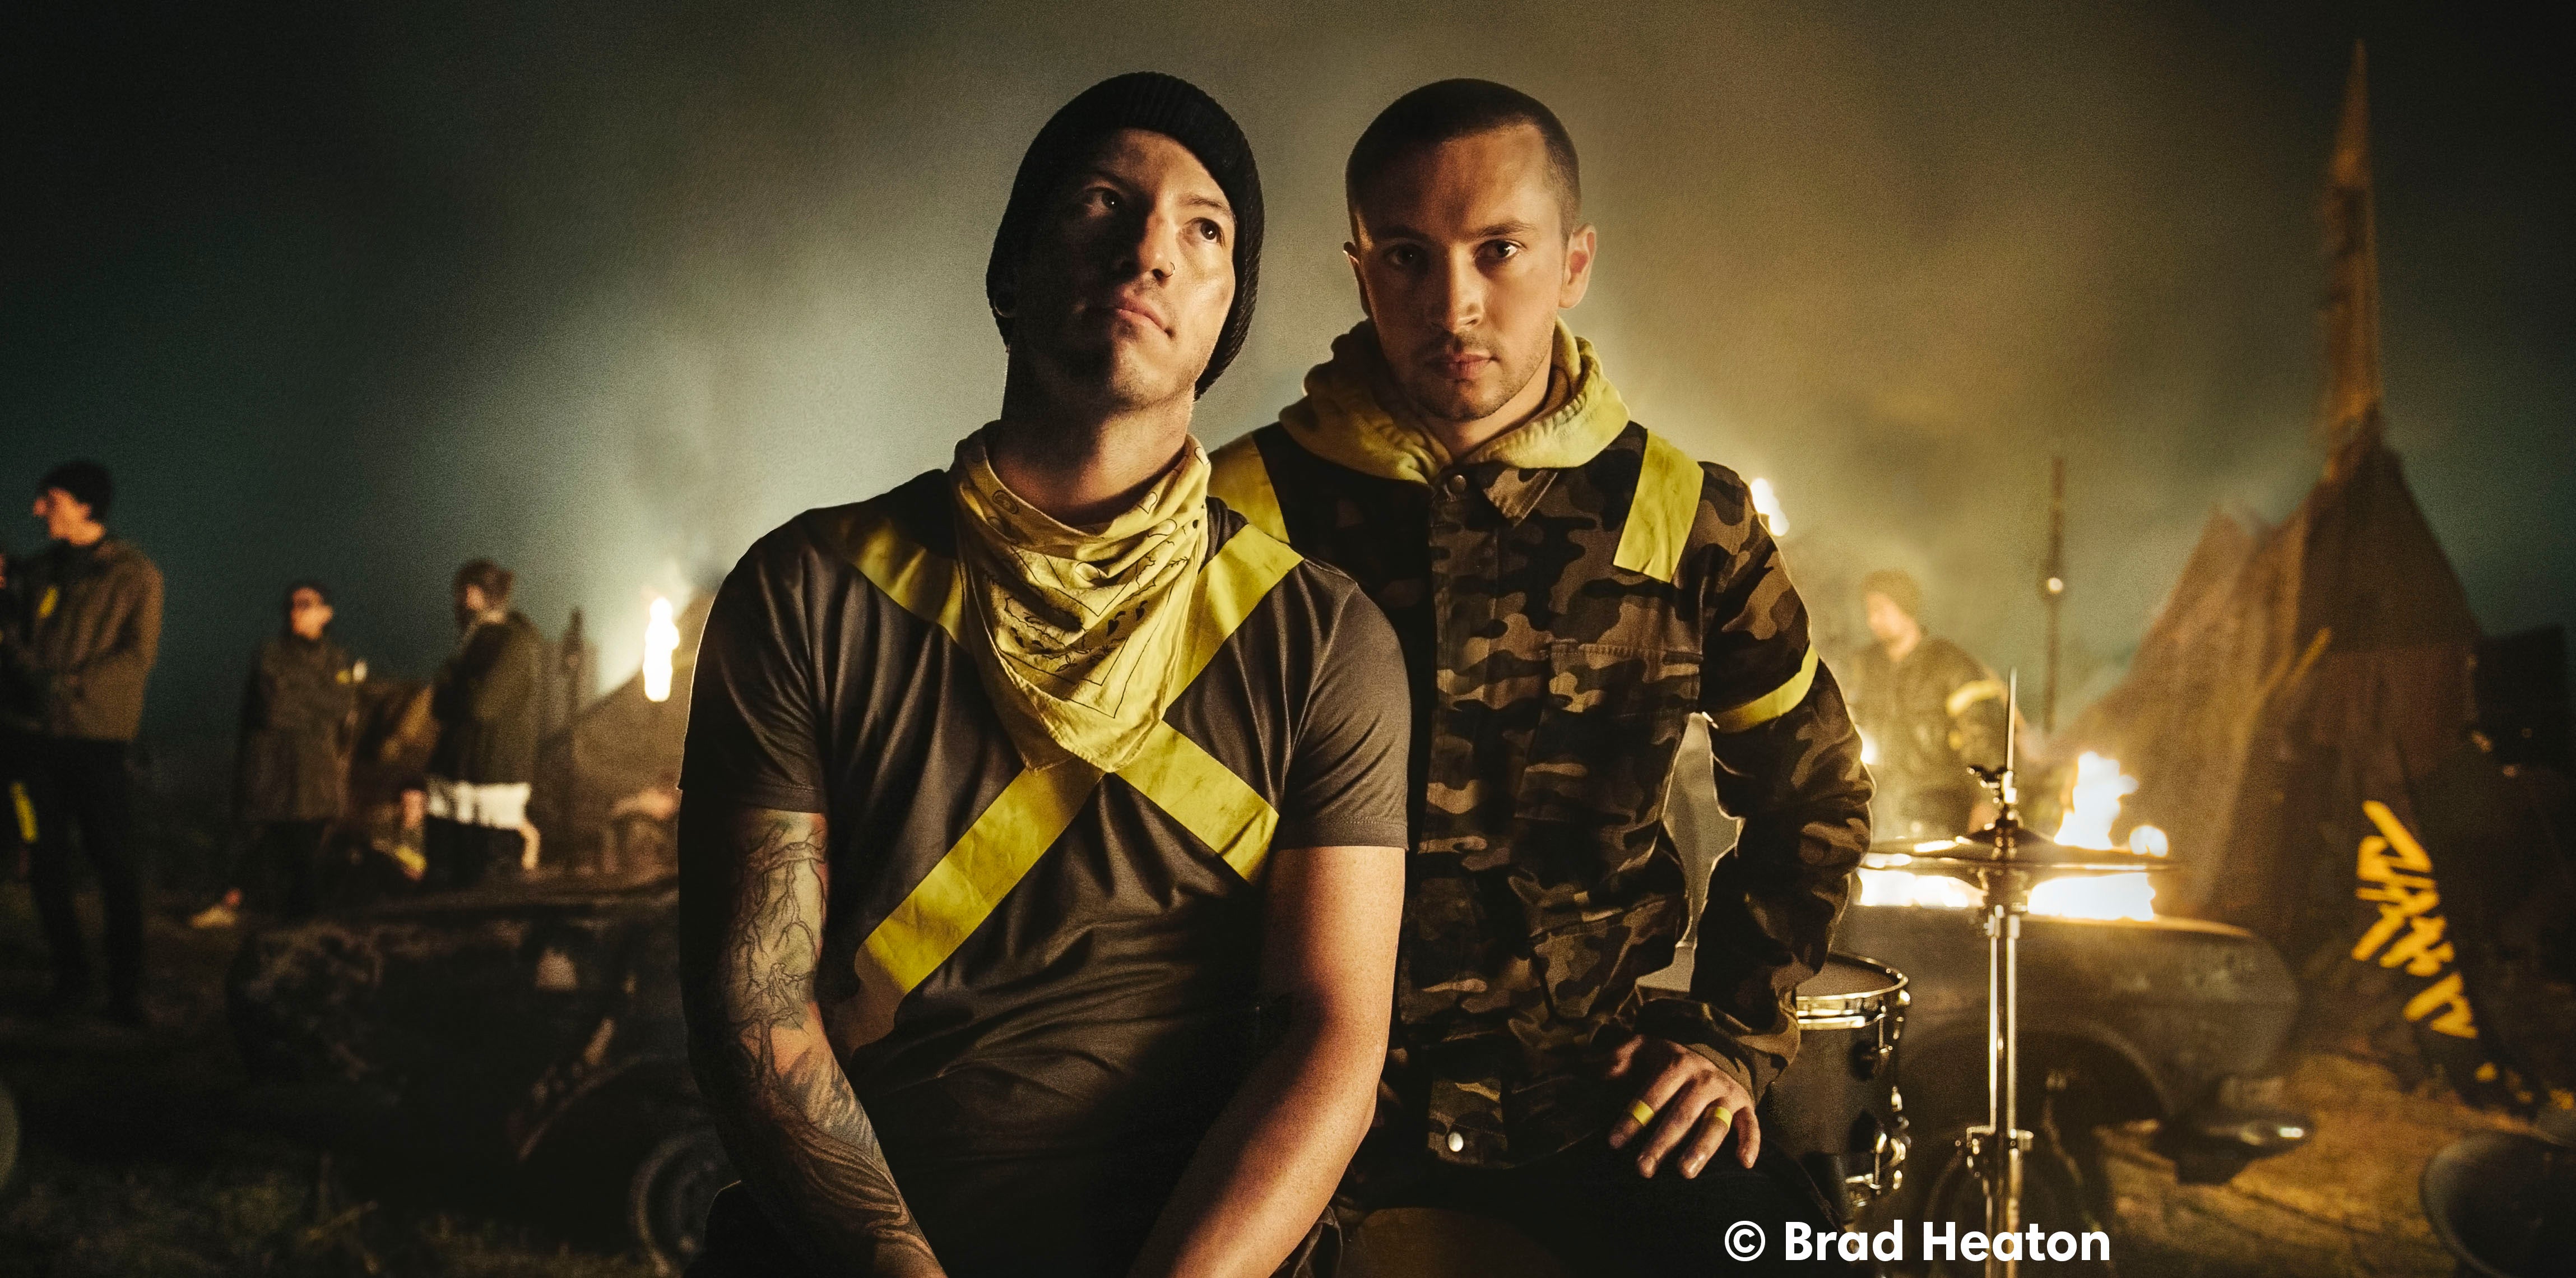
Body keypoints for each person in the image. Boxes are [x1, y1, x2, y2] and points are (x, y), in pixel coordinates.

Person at [676, 72, 1412, 1278]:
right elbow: (754, 1007)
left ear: (1227, 315)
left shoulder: (1323, 640)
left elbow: (1330, 1039)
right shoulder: (807, 591)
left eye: (1204, 230)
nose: (1148, 250)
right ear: (1013, 268)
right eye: (1099, 203)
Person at [1209, 80, 1872, 1273]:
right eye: (1407, 257)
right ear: (1361, 273)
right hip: (1301, 1090)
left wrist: (1731, 1035)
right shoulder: (1239, 514)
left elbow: (1813, 793)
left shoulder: (1685, 519)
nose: (1452, 304)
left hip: (1589, 1092)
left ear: (1572, 263)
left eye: (1498, 250)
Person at [9, 460, 164, 1024]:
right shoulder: (37, 570)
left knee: (113, 863)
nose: (38, 510)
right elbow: (14, 635)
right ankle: (70, 980)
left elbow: (135, 656)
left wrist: (63, 687)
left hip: (96, 741)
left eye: (49, 499)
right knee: (45, 862)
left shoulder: (133, 573)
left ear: (83, 505)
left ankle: (125, 991)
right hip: (33, 740)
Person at [194, 582, 360, 927]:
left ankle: (270, 916)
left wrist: (305, 695)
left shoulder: (338, 658)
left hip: (316, 773)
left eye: (307, 603)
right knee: (273, 841)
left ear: (326, 613)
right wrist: (319, 701)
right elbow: (276, 709)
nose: (296, 610)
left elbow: (342, 705)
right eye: (292, 603)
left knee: (298, 848)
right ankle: (284, 919)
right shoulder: (271, 653)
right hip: (275, 770)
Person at [1845, 568, 2007, 840]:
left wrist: (1986, 801)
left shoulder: (1950, 666)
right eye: (1869, 611)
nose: (1873, 620)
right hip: (1878, 808)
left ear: (1905, 607)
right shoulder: (1864, 667)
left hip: (1939, 811)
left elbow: (1980, 738)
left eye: (1881, 609)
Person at [422, 559, 542, 890]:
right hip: (461, 776)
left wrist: (451, 685)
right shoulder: (479, 639)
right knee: (451, 879)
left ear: (473, 594)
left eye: (459, 594)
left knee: (487, 883)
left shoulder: (514, 643)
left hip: (490, 779)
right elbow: (442, 705)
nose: (457, 604)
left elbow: (481, 706)